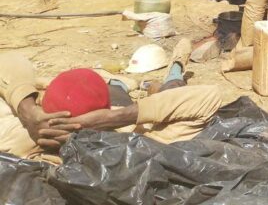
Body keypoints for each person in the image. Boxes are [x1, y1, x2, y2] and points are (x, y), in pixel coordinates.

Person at [0, 40, 223, 163]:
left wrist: (26, 108)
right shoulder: (129, 143)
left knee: (121, 88)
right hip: (117, 105)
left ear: (43, 106)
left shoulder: (18, 134)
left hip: (99, 107)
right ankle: (176, 66)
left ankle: (132, 82)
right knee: (171, 86)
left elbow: (8, 60)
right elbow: (210, 97)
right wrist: (117, 117)